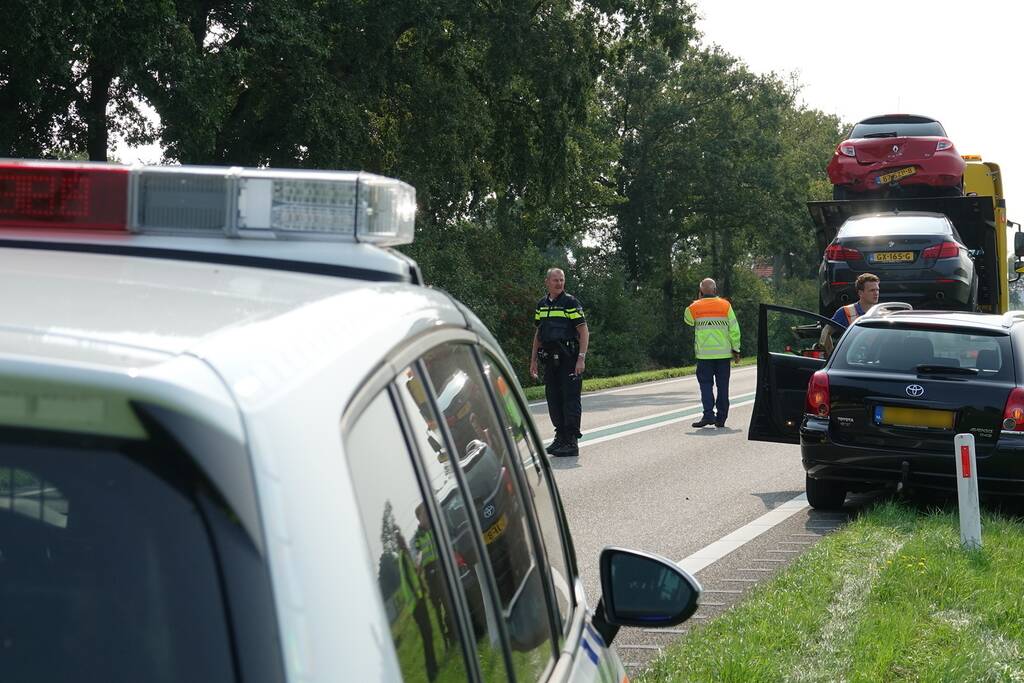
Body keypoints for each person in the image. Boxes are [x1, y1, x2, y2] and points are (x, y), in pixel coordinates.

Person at [529, 267, 590, 457]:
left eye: (562, 280)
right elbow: (538, 334)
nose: (559, 283)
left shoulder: (570, 303)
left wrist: (581, 358)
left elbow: (583, 331)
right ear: (547, 282)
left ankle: (571, 441)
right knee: (553, 399)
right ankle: (560, 436)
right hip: (550, 360)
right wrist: (533, 361)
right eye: (555, 280)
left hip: (569, 359)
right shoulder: (541, 305)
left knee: (570, 399)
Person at [684, 278, 741, 428]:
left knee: (705, 385)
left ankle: (708, 415)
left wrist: (698, 301)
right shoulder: (725, 305)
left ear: (701, 291)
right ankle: (721, 418)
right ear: (715, 290)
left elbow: (688, 320)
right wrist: (736, 349)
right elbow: (734, 330)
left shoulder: (694, 307)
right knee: (723, 386)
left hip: (704, 356)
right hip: (723, 355)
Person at [819, 273, 880, 356]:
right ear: (860, 293)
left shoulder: (881, 313)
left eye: (877, 290)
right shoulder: (846, 311)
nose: (876, 293)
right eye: (872, 290)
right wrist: (832, 356)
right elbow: (826, 332)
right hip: (852, 362)